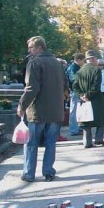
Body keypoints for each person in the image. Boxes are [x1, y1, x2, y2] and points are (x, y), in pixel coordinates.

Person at [17, 36, 67, 182]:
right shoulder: (58, 63)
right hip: (55, 110)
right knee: (51, 143)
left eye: (31, 48)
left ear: (39, 47)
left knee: (31, 143)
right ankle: (49, 172)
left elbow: (32, 88)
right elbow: (65, 85)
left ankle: (28, 173)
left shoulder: (35, 63)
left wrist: (22, 105)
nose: (29, 51)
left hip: (38, 111)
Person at [73, 50, 104, 148]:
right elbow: (96, 86)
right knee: (100, 119)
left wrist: (81, 95)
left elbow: (75, 86)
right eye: (96, 58)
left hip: (83, 100)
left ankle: (87, 142)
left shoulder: (80, 71)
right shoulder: (96, 70)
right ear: (92, 59)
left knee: (86, 120)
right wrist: (88, 95)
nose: (97, 61)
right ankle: (98, 139)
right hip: (95, 98)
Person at [66, 53, 85, 136]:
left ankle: (77, 127)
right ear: (78, 60)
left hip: (76, 90)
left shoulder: (75, 67)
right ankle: (74, 129)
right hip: (75, 91)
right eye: (83, 60)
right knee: (74, 111)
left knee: (77, 110)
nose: (84, 62)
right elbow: (73, 79)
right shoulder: (73, 68)